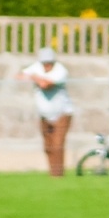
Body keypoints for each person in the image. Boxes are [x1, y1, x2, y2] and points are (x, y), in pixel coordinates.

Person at [21, 47, 74, 177]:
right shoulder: (37, 67)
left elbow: (46, 84)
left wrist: (34, 77)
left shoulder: (60, 70)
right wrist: (37, 78)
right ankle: (53, 173)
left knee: (57, 145)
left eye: (49, 62)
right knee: (48, 146)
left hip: (62, 114)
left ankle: (58, 175)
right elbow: (20, 76)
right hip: (44, 115)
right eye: (45, 63)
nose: (47, 66)